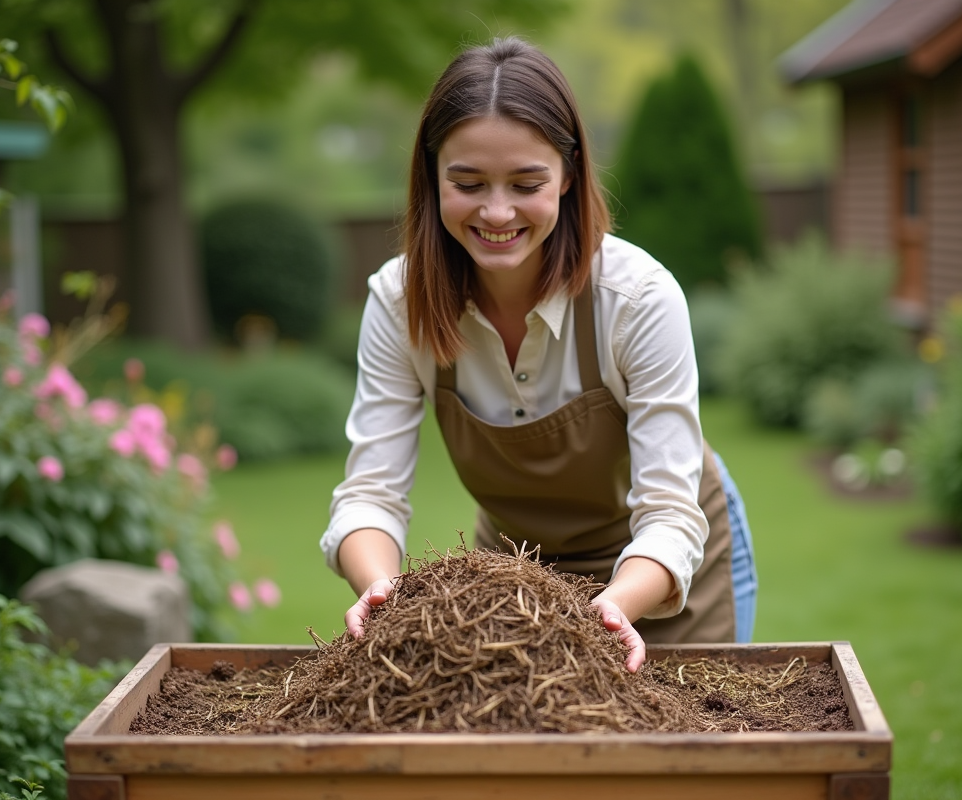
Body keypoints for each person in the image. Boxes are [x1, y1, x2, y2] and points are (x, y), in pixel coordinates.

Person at [320, 37, 757, 672]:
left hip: (667, 572)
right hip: (520, 581)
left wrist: (611, 606)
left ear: (569, 175)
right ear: (431, 175)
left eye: (526, 183)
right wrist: (381, 588)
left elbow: (669, 513)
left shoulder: (636, 299)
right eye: (468, 183)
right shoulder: (399, 301)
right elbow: (371, 494)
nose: (497, 211)